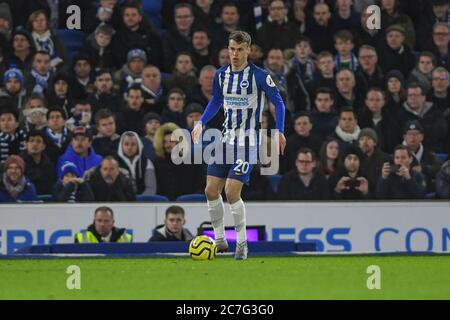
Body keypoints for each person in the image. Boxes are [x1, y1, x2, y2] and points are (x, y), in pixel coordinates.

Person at [191, 31, 286, 260]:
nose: (234, 54)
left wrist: (280, 131)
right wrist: (201, 122)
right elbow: (216, 100)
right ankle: (220, 239)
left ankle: (242, 243)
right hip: (224, 141)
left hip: (248, 143)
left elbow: (278, 102)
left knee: (231, 191)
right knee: (210, 190)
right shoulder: (221, 75)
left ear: (248, 51)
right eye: (231, 49)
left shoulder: (260, 76)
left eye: (239, 50)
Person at [117, 131, 156, 195]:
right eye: (126, 144)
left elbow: (151, 188)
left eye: (133, 144)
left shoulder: (147, 162)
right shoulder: (115, 163)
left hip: (143, 202)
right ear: (121, 146)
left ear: (138, 146)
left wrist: (139, 202)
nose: (129, 148)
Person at [21, 130, 55, 195]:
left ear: (44, 146)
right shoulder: (20, 162)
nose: (34, 144)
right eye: (31, 141)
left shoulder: (49, 164)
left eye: (38, 141)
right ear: (26, 144)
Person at [358, 128, 390, 193]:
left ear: (375, 142)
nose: (365, 142)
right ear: (358, 144)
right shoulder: (355, 158)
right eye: (362, 139)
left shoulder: (385, 158)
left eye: (368, 139)